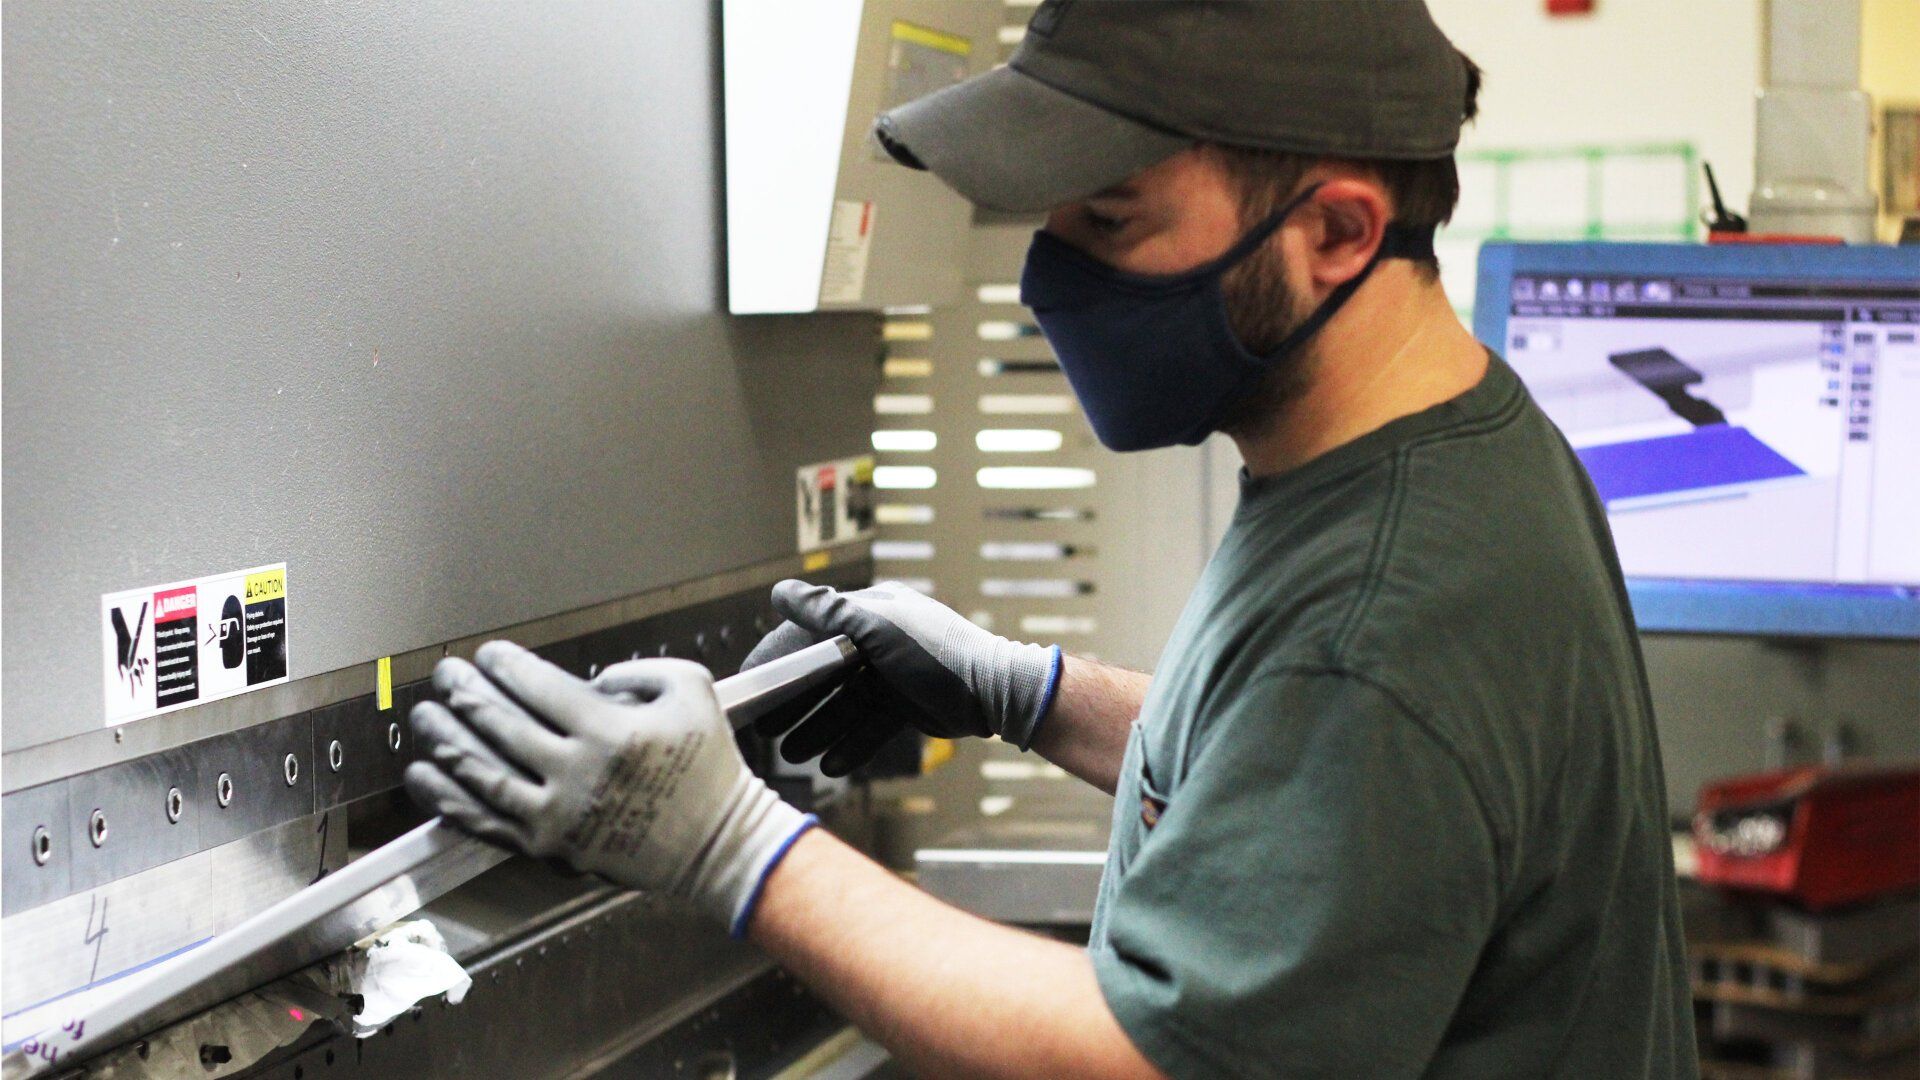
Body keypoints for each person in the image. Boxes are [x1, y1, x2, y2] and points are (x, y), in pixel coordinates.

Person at [404, 3, 1698, 1076]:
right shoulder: (1447, 453)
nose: (1046, 280)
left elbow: (1151, 1059)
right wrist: (1024, 692)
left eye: (1111, 220)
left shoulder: (1386, 605)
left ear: (1337, 232)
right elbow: (1321, 797)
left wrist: (725, 843)